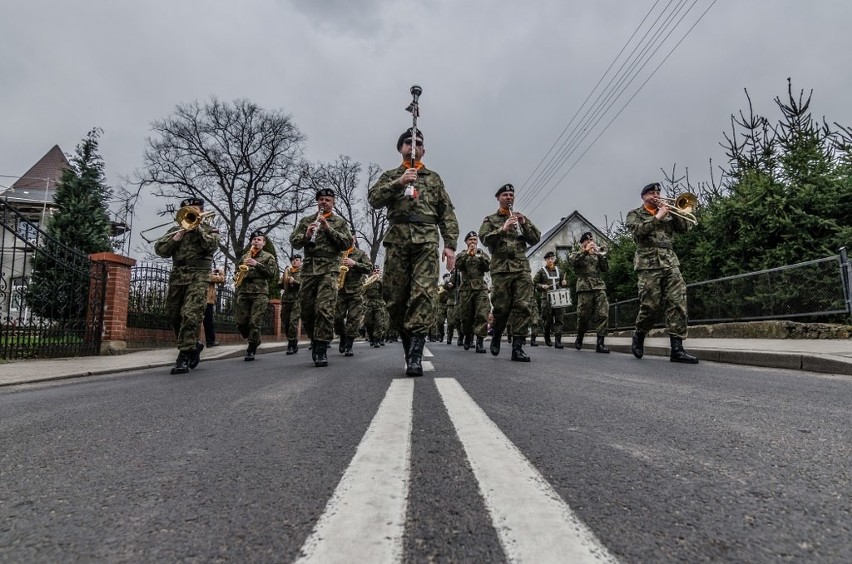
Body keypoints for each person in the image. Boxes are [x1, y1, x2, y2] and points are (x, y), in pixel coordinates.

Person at [368, 127, 459, 376]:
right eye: (408, 142)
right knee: (394, 299)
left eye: (418, 143)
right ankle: (409, 347)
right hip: (397, 241)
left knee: (423, 295)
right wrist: (399, 182)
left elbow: (447, 213)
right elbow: (374, 199)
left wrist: (450, 245)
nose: (413, 146)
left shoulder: (433, 178)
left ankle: (416, 355)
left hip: (426, 242)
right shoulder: (391, 175)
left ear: (423, 150)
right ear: (401, 149)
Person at [626, 182, 699, 364]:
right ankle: (639, 334)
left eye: (658, 192)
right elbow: (637, 232)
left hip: (670, 262)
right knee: (650, 306)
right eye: (651, 193)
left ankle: (677, 349)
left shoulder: (667, 211)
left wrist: (677, 213)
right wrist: (657, 216)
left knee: (678, 302)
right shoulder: (634, 215)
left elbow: (684, 229)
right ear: (643, 197)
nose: (656, 195)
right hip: (647, 264)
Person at [154, 197, 219, 374]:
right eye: (189, 209)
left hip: (198, 275)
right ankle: (192, 345)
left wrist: (197, 229)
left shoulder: (209, 229)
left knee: (191, 314)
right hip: (178, 275)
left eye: (196, 208)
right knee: (174, 315)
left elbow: (211, 246)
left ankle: (183, 357)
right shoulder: (175, 229)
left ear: (202, 211)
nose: (193, 211)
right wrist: (176, 238)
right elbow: (160, 251)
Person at [478, 183, 541, 361]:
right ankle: (497, 334)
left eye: (511, 195)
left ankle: (518, 348)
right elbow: (484, 239)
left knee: (523, 306)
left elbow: (536, 238)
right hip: (500, 269)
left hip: (521, 268)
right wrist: (502, 229)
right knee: (501, 308)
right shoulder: (490, 220)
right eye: (505, 195)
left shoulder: (520, 217)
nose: (509, 197)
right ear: (498, 198)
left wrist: (524, 223)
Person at [290, 188, 353, 367]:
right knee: (307, 310)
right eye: (321, 199)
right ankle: (314, 338)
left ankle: (321, 348)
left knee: (324, 309)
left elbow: (347, 243)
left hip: (330, 269)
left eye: (327, 200)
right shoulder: (307, 220)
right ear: (317, 202)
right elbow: (294, 241)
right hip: (309, 269)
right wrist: (307, 235)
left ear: (333, 203)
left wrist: (328, 228)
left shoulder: (339, 222)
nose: (324, 202)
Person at [234, 230, 278, 361]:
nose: (256, 241)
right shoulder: (244, 257)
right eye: (254, 239)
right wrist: (236, 276)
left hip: (260, 293)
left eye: (259, 239)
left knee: (255, 321)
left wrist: (256, 264)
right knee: (241, 322)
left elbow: (271, 274)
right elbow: (237, 270)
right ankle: (255, 338)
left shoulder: (269, 257)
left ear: (264, 243)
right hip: (244, 291)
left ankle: (251, 348)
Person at [569, 231, 610, 353]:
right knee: (583, 316)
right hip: (584, 287)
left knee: (603, 313)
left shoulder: (596, 254)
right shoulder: (576, 254)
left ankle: (600, 343)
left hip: (599, 286)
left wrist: (600, 254)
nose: (590, 243)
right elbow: (574, 262)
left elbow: (605, 268)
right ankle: (580, 337)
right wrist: (586, 251)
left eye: (591, 240)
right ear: (582, 243)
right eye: (587, 241)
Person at [335, 236, 373, 356]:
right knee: (337, 318)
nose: (349, 240)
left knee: (353, 319)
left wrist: (355, 263)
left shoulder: (361, 254)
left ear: (354, 240)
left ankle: (349, 345)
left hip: (355, 292)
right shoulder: (338, 253)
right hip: (339, 291)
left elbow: (369, 268)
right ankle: (342, 336)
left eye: (351, 238)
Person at [455, 231, 491, 353]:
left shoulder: (482, 254)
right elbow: (458, 265)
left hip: (480, 288)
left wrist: (478, 257)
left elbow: (487, 267)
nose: (473, 242)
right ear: (466, 242)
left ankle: (479, 342)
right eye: (470, 240)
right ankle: (468, 337)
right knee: (466, 317)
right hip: (466, 289)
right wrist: (468, 255)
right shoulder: (461, 254)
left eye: (475, 240)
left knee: (482, 314)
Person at [532, 251, 566, 349]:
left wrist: (564, 282)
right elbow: (535, 283)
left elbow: (563, 283)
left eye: (552, 258)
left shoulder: (559, 271)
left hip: (558, 297)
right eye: (548, 259)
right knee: (547, 319)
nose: (550, 260)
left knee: (559, 319)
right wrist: (542, 286)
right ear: (545, 260)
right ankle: (546, 335)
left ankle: (558, 341)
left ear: (554, 259)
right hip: (546, 298)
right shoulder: (541, 271)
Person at [279, 254, 302, 355]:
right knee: (286, 322)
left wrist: (295, 282)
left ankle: (291, 344)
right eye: (293, 260)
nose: (294, 261)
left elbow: (304, 285)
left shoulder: (303, 272)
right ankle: (293, 340)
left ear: (300, 262)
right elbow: (279, 285)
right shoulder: (287, 271)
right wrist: (284, 279)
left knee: (293, 322)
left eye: (297, 260)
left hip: (297, 299)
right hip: (286, 299)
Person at [362, 266, 386, 347]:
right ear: (372, 272)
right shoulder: (368, 281)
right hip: (369, 304)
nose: (376, 272)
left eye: (377, 271)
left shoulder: (381, 281)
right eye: (374, 271)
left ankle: (377, 339)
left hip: (379, 303)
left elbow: (385, 291)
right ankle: (371, 337)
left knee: (379, 322)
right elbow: (363, 292)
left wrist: (379, 281)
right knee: (368, 322)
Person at [203, 266, 225, 347]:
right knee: (208, 322)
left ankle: (208, 341)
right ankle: (210, 342)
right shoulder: (207, 275)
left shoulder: (205, 275)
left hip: (204, 300)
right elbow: (222, 279)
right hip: (207, 301)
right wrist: (221, 271)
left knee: (203, 321)